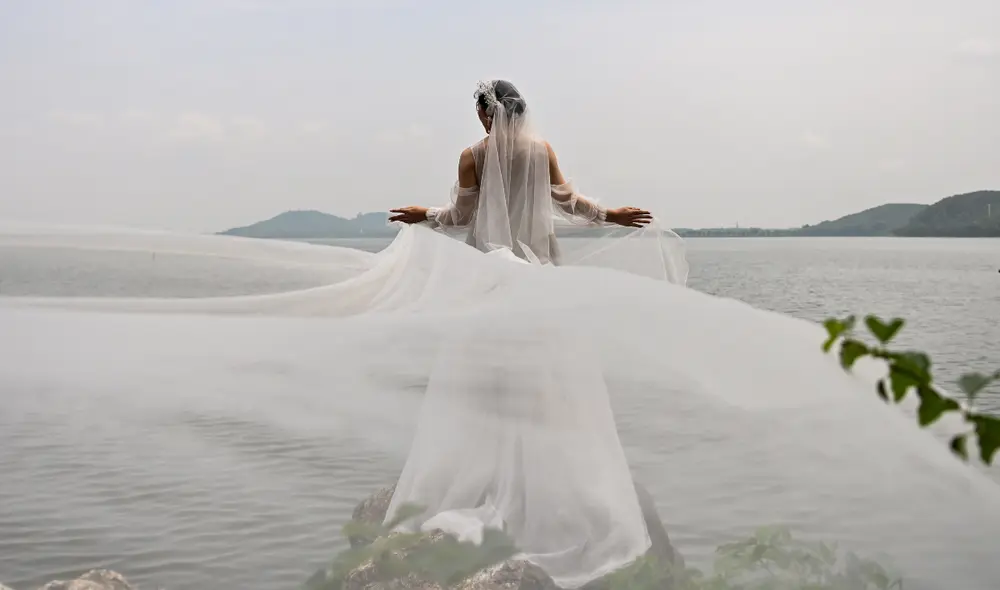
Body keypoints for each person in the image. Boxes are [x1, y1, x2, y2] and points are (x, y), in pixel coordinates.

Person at [388, 80, 660, 267]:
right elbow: (568, 201)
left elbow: (460, 217)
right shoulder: (542, 151)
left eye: (480, 113)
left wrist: (424, 214)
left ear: (486, 113)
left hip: (490, 259)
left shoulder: (471, 157)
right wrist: (612, 215)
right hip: (537, 258)